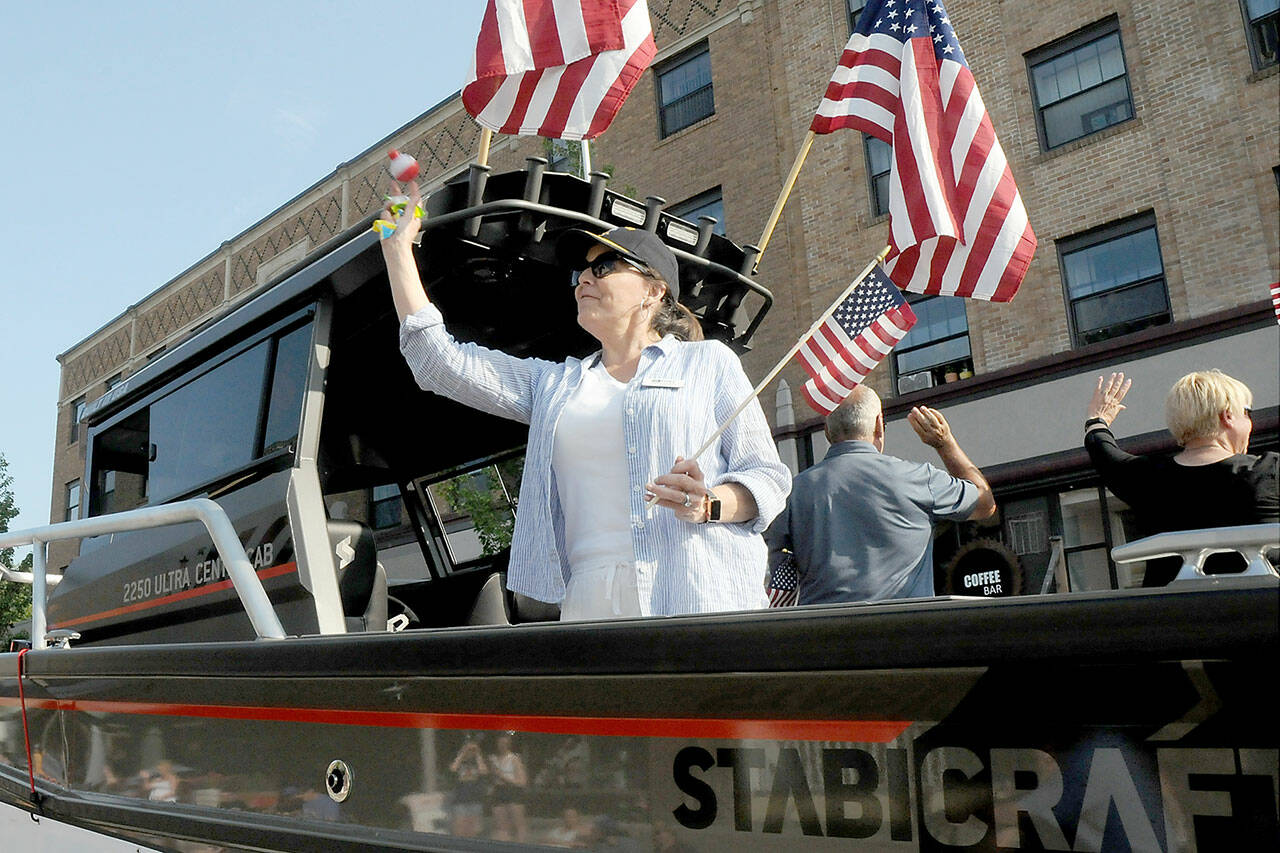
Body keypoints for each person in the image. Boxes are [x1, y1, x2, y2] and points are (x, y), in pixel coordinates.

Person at [381, 180, 790, 618]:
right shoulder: (556, 386)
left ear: (654, 291)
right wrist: (396, 247)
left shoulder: (708, 363)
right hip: (589, 598)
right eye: (580, 273)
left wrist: (709, 503)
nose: (583, 280)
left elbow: (768, 477)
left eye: (605, 267)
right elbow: (439, 362)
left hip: (696, 591)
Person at [765, 386, 996, 603]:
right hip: (905, 636)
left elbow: (779, 577)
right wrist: (945, 443)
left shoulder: (790, 495)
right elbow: (985, 503)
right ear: (879, 424)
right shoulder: (919, 479)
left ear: (827, 431)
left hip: (823, 637)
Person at [1084, 370, 1278, 586]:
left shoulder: (1145, 477)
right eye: (1246, 412)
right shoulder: (1271, 471)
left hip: (1172, 614)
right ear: (1228, 416)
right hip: (1261, 611)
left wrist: (1097, 419)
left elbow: (1102, 451)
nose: (1250, 421)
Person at [487, 733, 528, 843]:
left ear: (509, 744)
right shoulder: (493, 759)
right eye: (500, 743)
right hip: (498, 791)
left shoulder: (514, 759)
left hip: (512, 791)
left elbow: (522, 781)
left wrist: (502, 776)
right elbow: (491, 778)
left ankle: (521, 848)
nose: (502, 745)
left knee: (518, 824)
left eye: (505, 743)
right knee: (501, 826)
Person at [448, 737, 488, 837]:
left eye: (472, 750)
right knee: (459, 832)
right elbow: (452, 770)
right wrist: (462, 753)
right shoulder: (457, 762)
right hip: (459, 801)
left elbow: (484, 772)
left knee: (473, 832)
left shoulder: (479, 762)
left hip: (475, 800)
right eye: (468, 749)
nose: (470, 752)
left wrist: (478, 753)